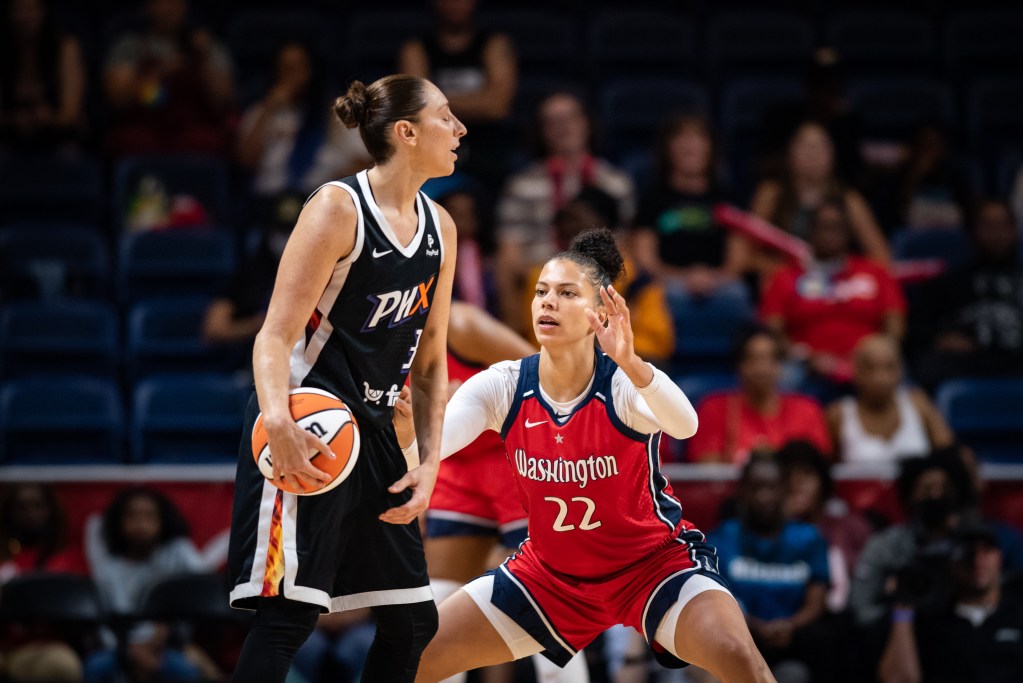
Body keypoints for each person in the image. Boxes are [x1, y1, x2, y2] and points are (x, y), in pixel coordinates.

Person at [396, 229, 775, 682]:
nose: (547, 302)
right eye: (541, 291)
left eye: (566, 293)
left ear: (600, 310)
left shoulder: (621, 383)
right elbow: (430, 449)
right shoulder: (503, 384)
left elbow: (685, 425)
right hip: (551, 578)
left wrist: (634, 364)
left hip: (650, 568)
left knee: (737, 655)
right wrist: (404, 435)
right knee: (411, 660)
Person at [226, 74, 464, 683]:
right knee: (287, 620)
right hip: (313, 422)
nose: (459, 129)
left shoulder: (442, 225)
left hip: (382, 432)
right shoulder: (337, 207)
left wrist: (432, 461)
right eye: (446, 117)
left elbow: (432, 359)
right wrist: (277, 420)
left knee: (412, 622)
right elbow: (274, 336)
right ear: (406, 133)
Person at [404, 302, 590, 682]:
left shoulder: (459, 324)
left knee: (545, 600)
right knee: (438, 602)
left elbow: (550, 373)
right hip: (454, 467)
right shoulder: (380, 349)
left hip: (518, 459)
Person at [494, 92, 634, 333]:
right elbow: (509, 256)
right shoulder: (522, 186)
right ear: (542, 132)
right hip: (539, 283)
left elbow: (625, 249)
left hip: (601, 286)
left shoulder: (614, 182)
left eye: (570, 118)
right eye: (553, 122)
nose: (564, 128)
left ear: (586, 124)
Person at [760, 199, 906, 398]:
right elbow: (773, 330)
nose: (830, 234)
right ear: (810, 231)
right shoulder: (785, 277)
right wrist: (805, 357)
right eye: (824, 227)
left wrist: (875, 357)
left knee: (902, 384)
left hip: (869, 362)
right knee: (781, 379)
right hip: (805, 364)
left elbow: (895, 323)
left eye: (837, 227)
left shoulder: (875, 272)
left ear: (848, 232)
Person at [709, 452, 832, 683]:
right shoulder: (723, 537)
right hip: (735, 641)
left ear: (785, 491)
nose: (763, 496)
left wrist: (790, 626)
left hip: (794, 644)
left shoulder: (809, 538)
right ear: (742, 492)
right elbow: (712, 599)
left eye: (772, 487)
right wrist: (752, 626)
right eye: (755, 488)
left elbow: (817, 601)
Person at [518, 187, 675, 365]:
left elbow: (658, 347)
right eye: (567, 222)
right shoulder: (542, 277)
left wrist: (605, 347)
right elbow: (536, 344)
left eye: (580, 224)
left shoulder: (638, 281)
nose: (571, 229)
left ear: (605, 228)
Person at [83, 487, 215, 682]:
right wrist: (129, 651)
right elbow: (104, 620)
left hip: (169, 646)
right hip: (120, 648)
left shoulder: (177, 552)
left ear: (163, 520)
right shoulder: (109, 569)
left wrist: (158, 641)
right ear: (118, 523)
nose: (141, 524)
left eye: (149, 515)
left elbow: (204, 585)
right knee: (95, 667)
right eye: (132, 516)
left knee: (185, 671)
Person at [877, 520, 1023, 683]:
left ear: (999, 557)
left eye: (986, 549)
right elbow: (897, 679)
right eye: (967, 552)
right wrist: (902, 608)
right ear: (951, 562)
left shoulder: (1017, 615)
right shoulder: (930, 623)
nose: (977, 560)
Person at [630, 114, 749, 302]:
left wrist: (712, 278)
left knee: (736, 296)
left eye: (698, 137)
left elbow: (739, 260)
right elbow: (645, 259)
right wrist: (685, 278)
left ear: (711, 148)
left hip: (720, 284)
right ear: (667, 148)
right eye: (681, 137)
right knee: (659, 296)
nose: (689, 145)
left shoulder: (728, 199)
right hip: (668, 284)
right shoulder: (652, 199)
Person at [907, 199, 1023, 391]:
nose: (997, 235)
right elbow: (919, 331)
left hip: (1018, 358)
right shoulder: (949, 283)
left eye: (1004, 226)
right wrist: (941, 340)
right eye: (989, 227)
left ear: (1015, 230)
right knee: (927, 365)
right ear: (973, 232)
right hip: (970, 361)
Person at [748, 121, 889, 279]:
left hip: (836, 286)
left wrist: (846, 274)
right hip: (786, 283)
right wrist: (782, 271)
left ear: (832, 154)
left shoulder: (849, 199)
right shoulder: (771, 193)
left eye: (820, 147)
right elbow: (745, 254)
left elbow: (881, 257)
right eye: (805, 146)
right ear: (790, 152)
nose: (812, 154)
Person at [399, 0, 517, 188]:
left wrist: (437, 104)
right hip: (433, 147)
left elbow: (497, 106)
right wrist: (479, 100)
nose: (455, 4)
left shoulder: (494, 44)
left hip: (488, 148)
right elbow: (416, 105)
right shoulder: (416, 48)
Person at [236, 42, 370, 200]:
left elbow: (367, 162)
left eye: (299, 68)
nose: (293, 77)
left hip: (321, 201)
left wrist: (341, 180)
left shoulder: (336, 114)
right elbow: (244, 161)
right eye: (286, 69)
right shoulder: (261, 112)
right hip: (268, 202)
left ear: (312, 71)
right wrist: (269, 110)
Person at [103, 0, 234, 158]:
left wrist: (203, 58)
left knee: (208, 142)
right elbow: (118, 99)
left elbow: (224, 101)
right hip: (146, 125)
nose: (171, 7)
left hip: (191, 127)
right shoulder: (131, 45)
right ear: (150, 6)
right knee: (132, 142)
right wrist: (161, 72)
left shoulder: (207, 46)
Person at [687, 327, 831, 464]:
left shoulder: (807, 410)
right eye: (753, 359)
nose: (762, 368)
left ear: (779, 366)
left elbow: (816, 472)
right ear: (739, 366)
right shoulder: (714, 409)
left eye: (770, 359)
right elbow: (708, 474)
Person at [776, 441, 872, 613]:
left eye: (806, 474)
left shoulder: (851, 528)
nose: (796, 484)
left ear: (823, 480)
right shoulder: (766, 532)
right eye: (787, 476)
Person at [828, 334, 954, 464]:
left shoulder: (918, 403)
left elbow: (949, 455)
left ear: (901, 370)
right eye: (870, 368)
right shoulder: (838, 415)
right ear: (856, 371)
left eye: (889, 367)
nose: (880, 378)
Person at [0, 0, 86, 152]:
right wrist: (15, 120)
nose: (25, 18)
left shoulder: (65, 47)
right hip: (10, 136)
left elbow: (70, 114)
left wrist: (48, 118)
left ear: (44, 12)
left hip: (57, 134)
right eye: (19, 11)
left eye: (31, 10)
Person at [0, 483, 85, 583]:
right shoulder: (4, 559)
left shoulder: (69, 560)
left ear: (51, 509)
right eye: (21, 507)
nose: (30, 513)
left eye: (37, 505)